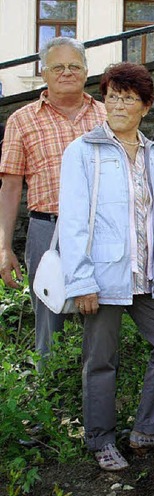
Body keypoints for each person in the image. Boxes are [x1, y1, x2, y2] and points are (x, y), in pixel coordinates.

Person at [58, 62, 154, 471]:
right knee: (101, 361)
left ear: (145, 106)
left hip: (147, 277)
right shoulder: (84, 151)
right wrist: (81, 281)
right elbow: (74, 221)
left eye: (128, 98)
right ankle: (100, 439)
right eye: (112, 95)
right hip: (103, 277)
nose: (118, 104)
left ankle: (148, 428)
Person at [0, 37, 106, 365]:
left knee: (102, 322)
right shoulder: (22, 119)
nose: (66, 73)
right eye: (57, 67)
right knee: (49, 320)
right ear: (43, 73)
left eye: (74, 66)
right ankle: (52, 401)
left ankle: (94, 399)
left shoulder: (107, 115)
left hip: (100, 232)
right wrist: (4, 247)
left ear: (86, 72)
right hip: (48, 231)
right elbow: (10, 185)